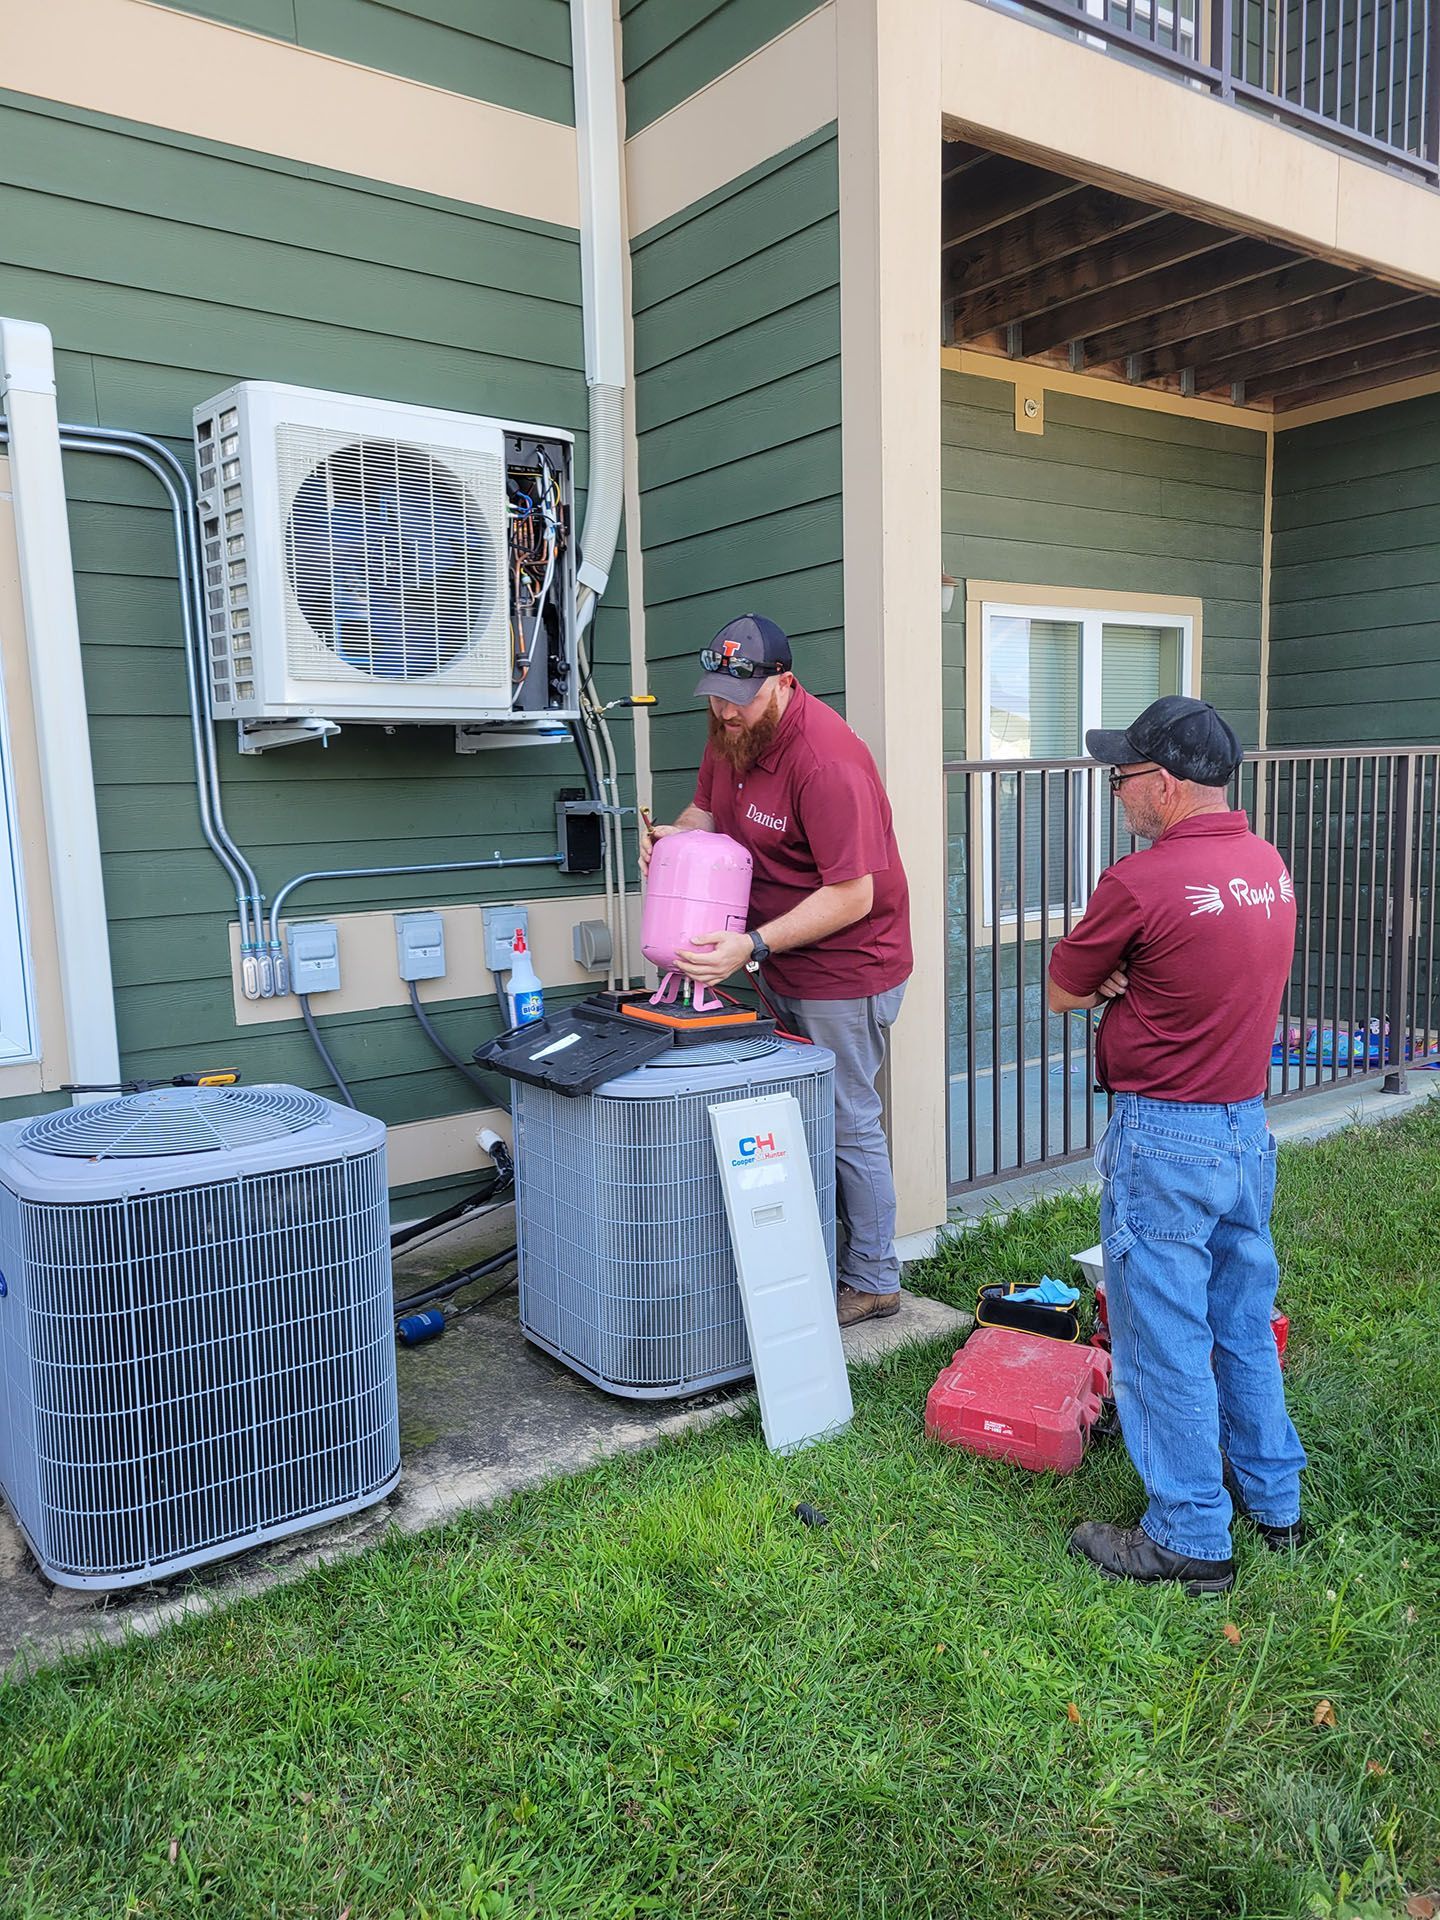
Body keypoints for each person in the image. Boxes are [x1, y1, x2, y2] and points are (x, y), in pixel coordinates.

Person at [1047, 696, 1306, 1597]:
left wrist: (1116, 982)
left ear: (1163, 784)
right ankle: (1274, 1503)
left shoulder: (1141, 883)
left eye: (1122, 777)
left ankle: (1191, 1533)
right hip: (1245, 1131)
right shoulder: (1267, 867)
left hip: (1166, 1136)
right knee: (1239, 1320)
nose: (1117, 793)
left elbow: (1063, 988)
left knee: (1161, 1336)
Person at [639, 614, 913, 1327]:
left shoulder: (827, 761)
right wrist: (673, 845)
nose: (725, 711)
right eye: (715, 696)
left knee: (847, 1118)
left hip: (849, 962)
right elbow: (705, 814)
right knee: (793, 1113)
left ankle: (876, 1275)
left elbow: (857, 894)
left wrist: (752, 946)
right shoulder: (730, 733)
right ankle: (807, 1256)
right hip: (773, 952)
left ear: (783, 684)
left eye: (740, 697)